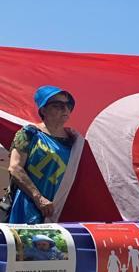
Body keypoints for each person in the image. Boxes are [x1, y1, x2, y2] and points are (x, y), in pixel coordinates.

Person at [8, 85, 83, 224]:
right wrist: (39, 198)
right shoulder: (29, 133)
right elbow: (15, 168)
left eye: (68, 105)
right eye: (57, 105)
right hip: (28, 205)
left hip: (61, 207)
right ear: (43, 110)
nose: (65, 109)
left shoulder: (76, 141)